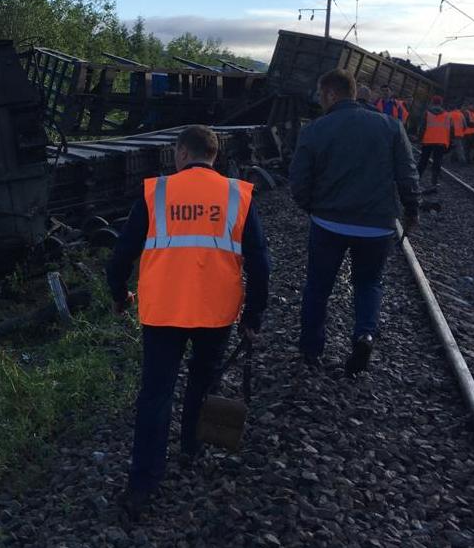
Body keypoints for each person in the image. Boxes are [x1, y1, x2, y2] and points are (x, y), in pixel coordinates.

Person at [107, 125, 270, 522]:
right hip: (215, 314)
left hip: (163, 311)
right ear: (213, 156)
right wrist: (252, 317)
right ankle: (189, 450)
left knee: (156, 394)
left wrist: (118, 296)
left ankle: (143, 485)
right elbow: (262, 265)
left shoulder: (156, 194)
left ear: (181, 153)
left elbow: (120, 256)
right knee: (202, 380)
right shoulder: (237, 195)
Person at [289, 69, 420, 375]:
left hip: (329, 223)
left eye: (322, 95)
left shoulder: (315, 130)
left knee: (318, 287)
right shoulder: (390, 126)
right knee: (369, 283)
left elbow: (298, 180)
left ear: (332, 93)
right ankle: (364, 334)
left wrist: (312, 208)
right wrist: (412, 210)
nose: (321, 101)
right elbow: (407, 172)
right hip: (377, 226)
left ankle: (310, 349)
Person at [417, 96, 451, 187]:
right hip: (440, 142)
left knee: (423, 161)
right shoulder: (447, 115)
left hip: (428, 141)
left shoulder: (427, 113)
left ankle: (417, 178)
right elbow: (449, 130)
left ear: (432, 102)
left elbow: (422, 127)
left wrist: (419, 138)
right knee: (437, 162)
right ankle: (434, 182)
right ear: (441, 103)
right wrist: (448, 142)